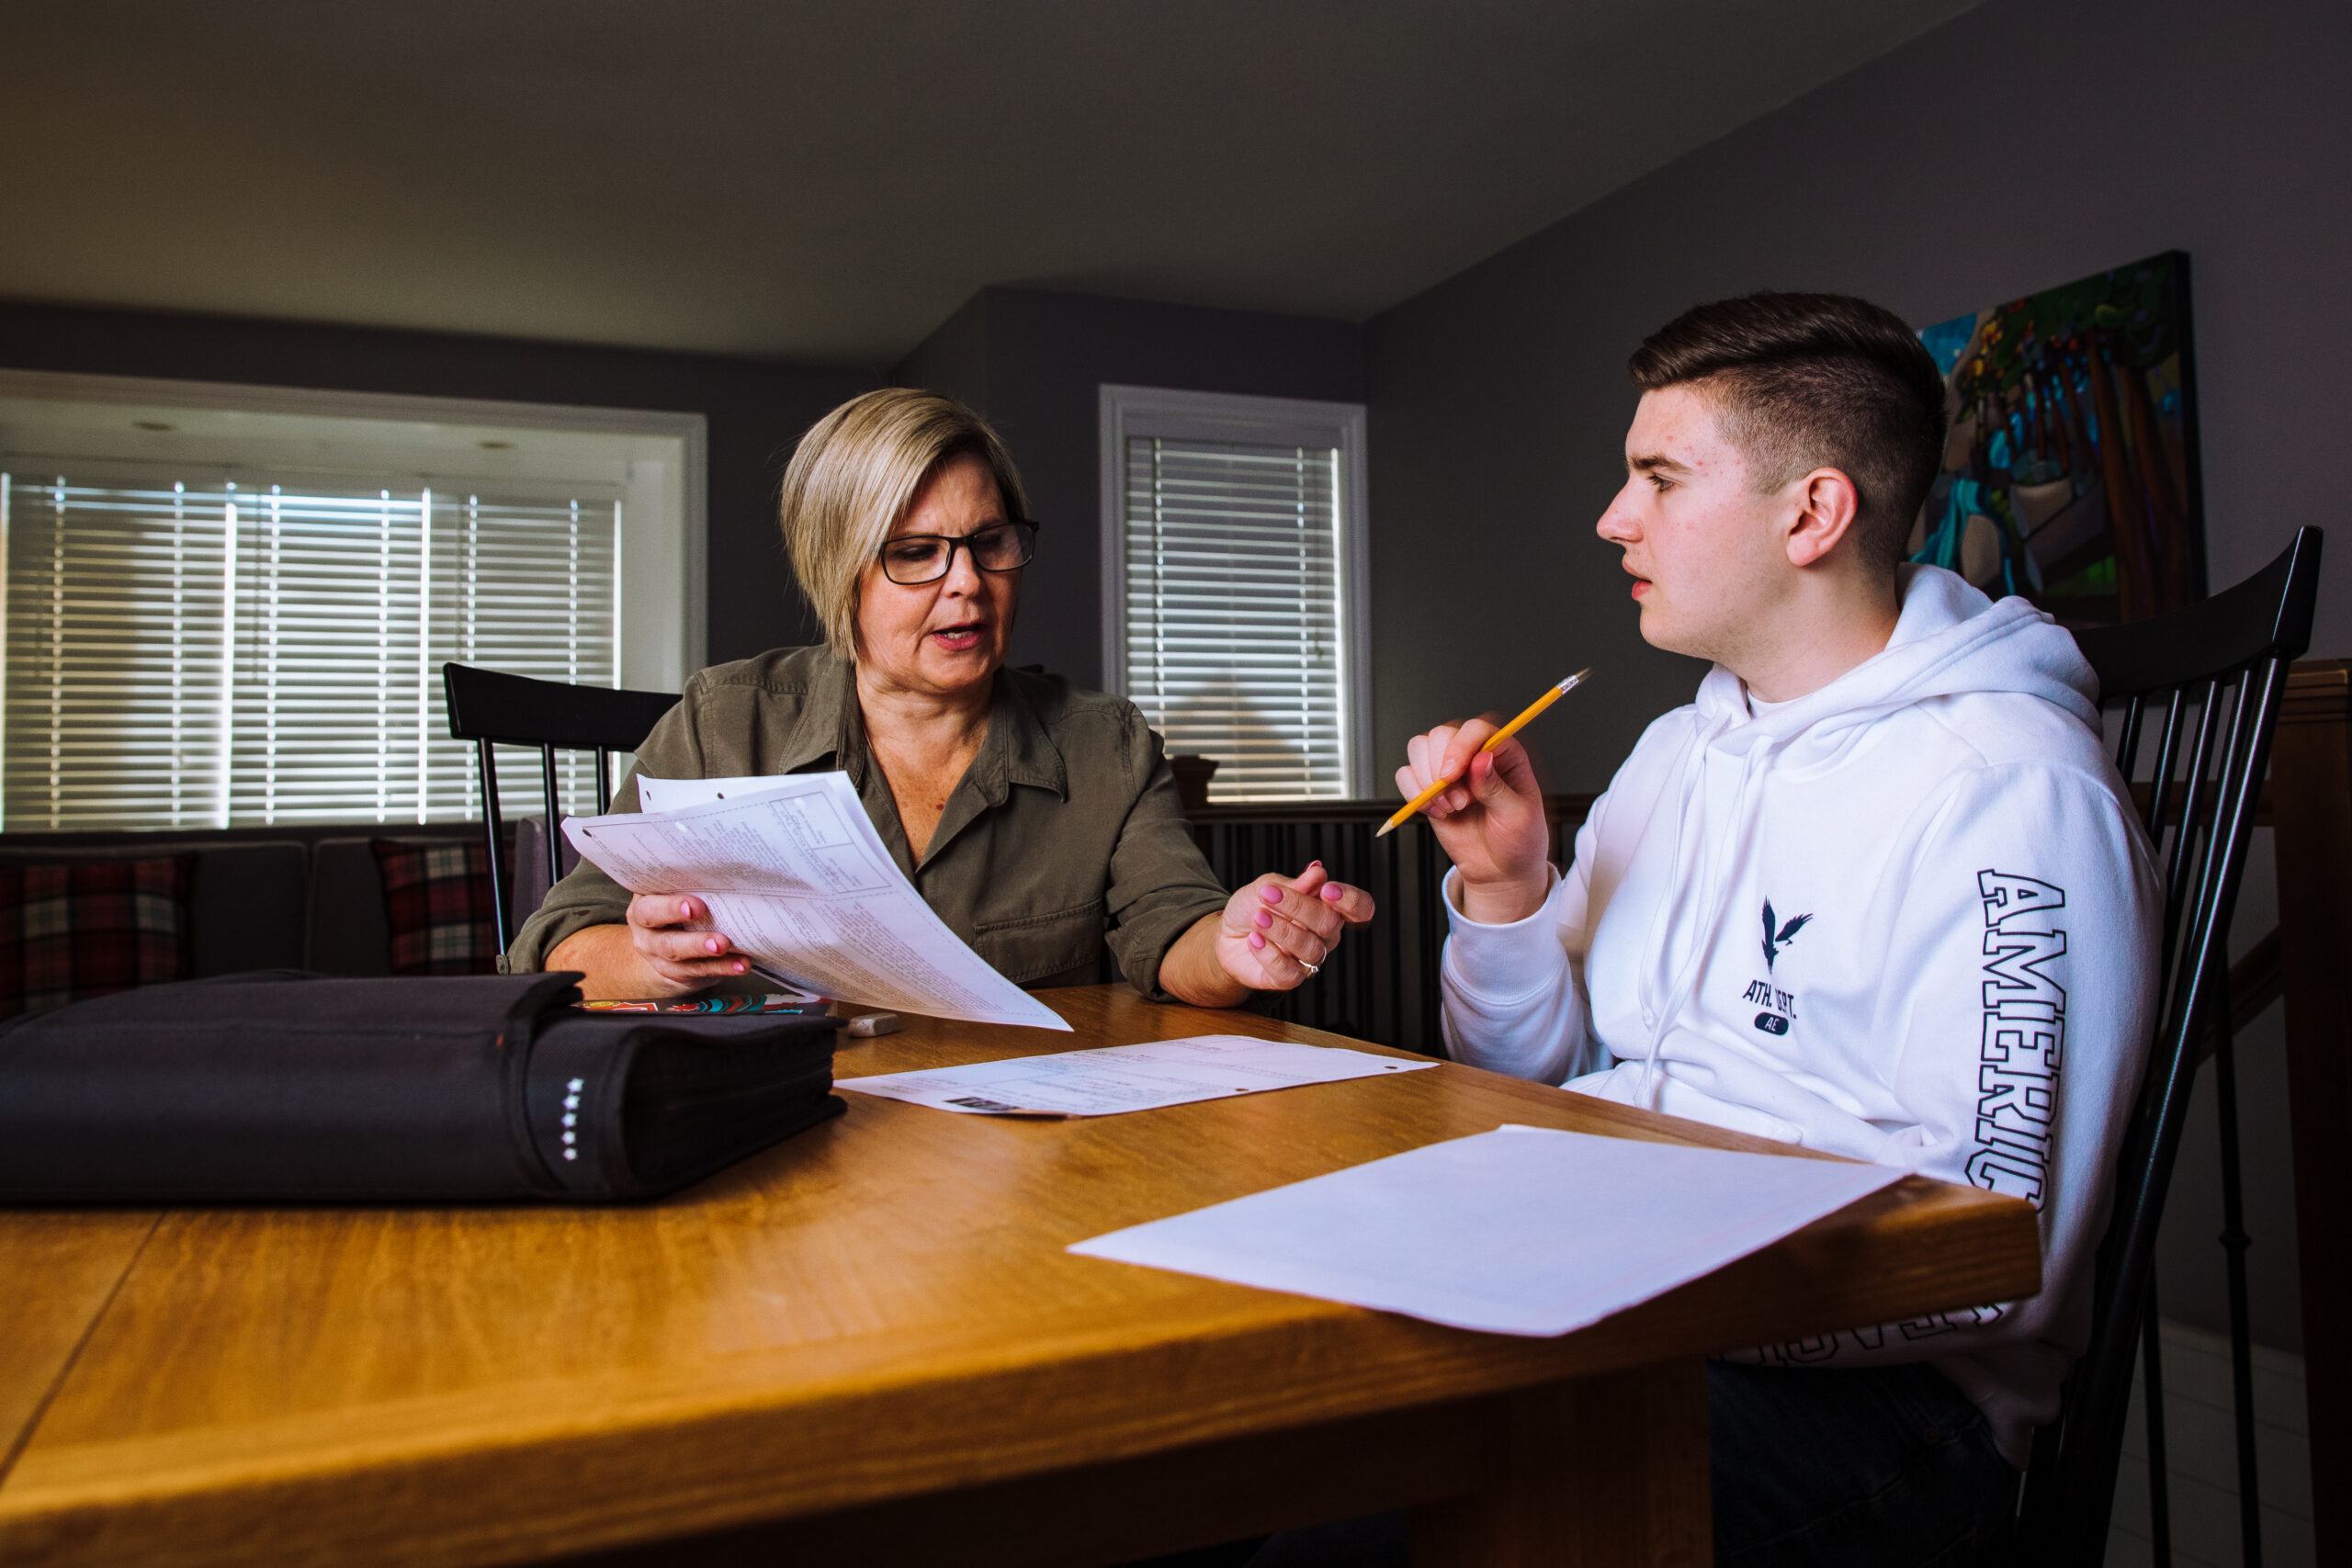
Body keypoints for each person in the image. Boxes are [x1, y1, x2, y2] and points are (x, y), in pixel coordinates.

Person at [1261, 293, 2161, 1568]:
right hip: (1623, 1293)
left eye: (1659, 477)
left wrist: (1610, 1293)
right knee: (1260, 1451)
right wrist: (1514, 892)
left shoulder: (2012, 789)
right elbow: (1531, 1075)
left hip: (1888, 1410)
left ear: (1812, 512)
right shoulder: (1676, 752)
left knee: (1346, 1549)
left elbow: (1992, 1257)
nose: (1612, 517)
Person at [507, 388, 1371, 1005]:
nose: (968, 583)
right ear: (836, 574)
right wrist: (654, 964)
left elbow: (1171, 931)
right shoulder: (721, 723)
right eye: (915, 552)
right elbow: (554, 948)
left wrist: (1236, 944)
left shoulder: (1104, 743)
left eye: (988, 541)